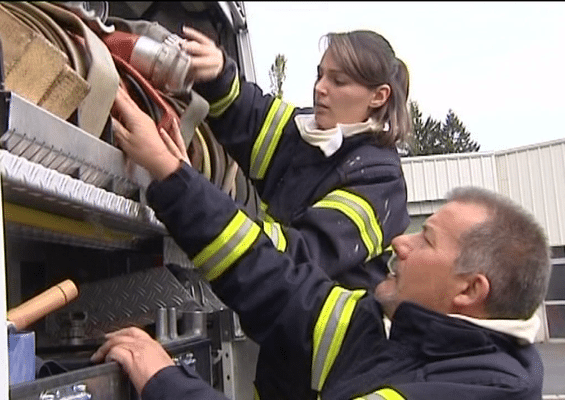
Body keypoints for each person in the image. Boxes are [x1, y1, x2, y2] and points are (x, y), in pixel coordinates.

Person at [91, 86, 552, 400]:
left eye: (426, 240)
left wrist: (165, 382)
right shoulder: (411, 335)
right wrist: (175, 178)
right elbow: (284, 288)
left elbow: (302, 257)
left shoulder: (467, 389)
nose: (400, 243)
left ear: (470, 291)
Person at [178, 26, 412, 289]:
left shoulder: (379, 180)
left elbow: (301, 255)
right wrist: (218, 72)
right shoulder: (305, 131)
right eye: (320, 75)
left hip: (322, 328)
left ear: (379, 96)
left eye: (338, 81)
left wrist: (193, 202)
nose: (320, 88)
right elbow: (247, 116)